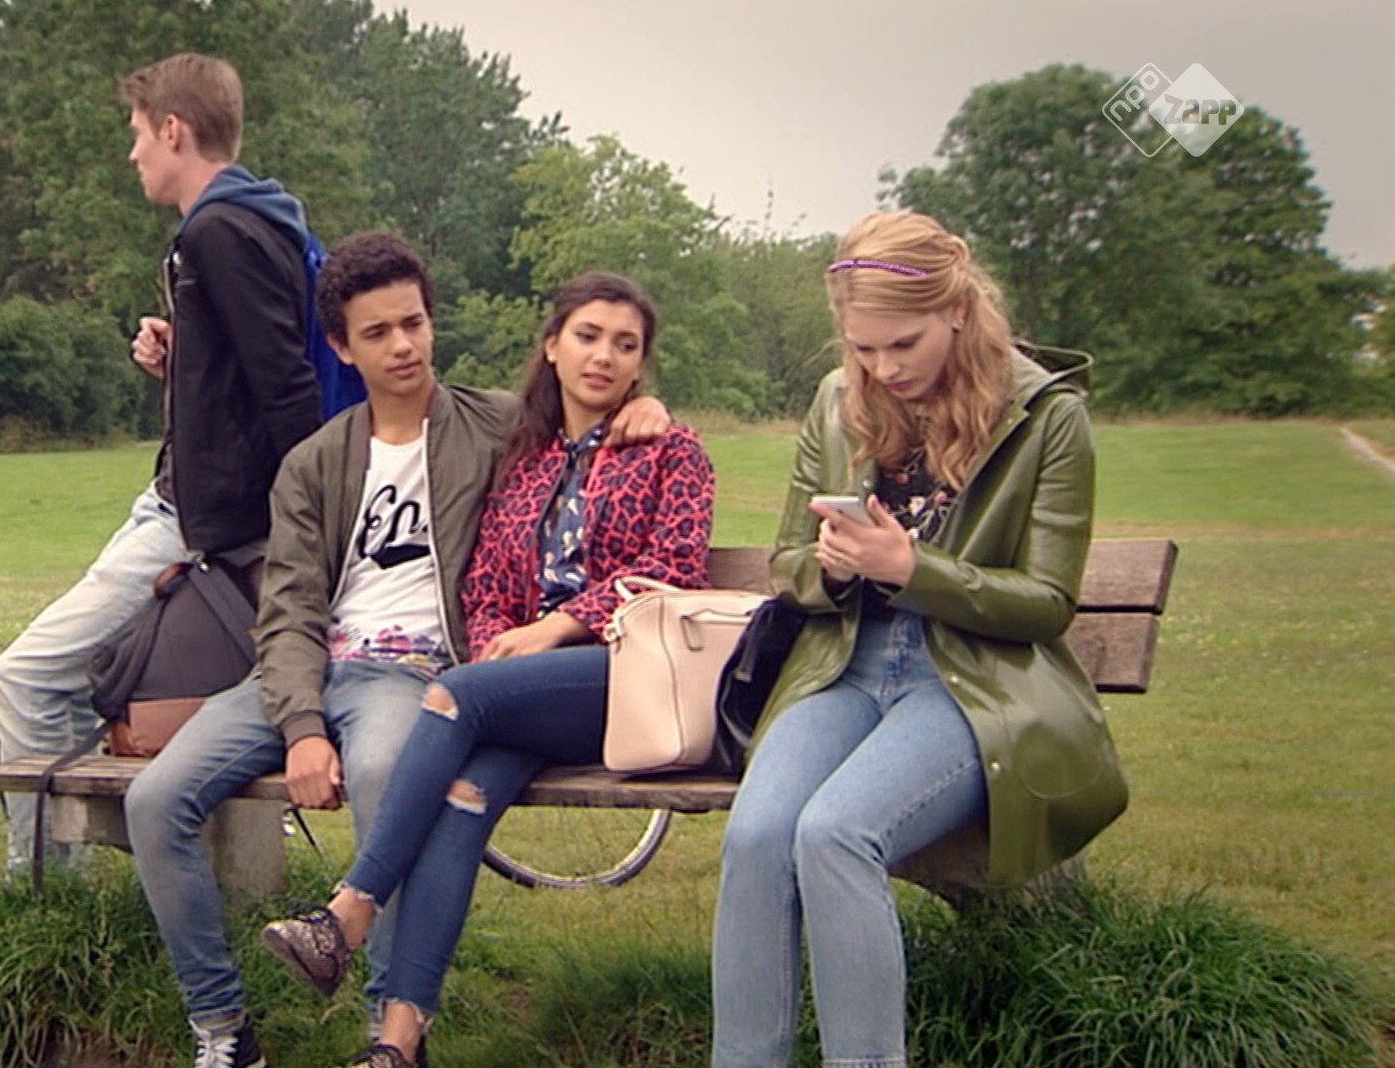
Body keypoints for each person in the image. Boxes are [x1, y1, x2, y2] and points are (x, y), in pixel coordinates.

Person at [125, 234, 672, 1068]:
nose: (403, 345)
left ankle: (388, 1034)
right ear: (343, 347)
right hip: (307, 672)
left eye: (414, 323)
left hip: (415, 673)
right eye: (377, 332)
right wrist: (302, 727)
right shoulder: (314, 463)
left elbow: (584, 400)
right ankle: (223, 1030)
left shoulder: (496, 426)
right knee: (154, 800)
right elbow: (289, 609)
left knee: (385, 772)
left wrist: (647, 406)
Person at [258, 272, 718, 1068]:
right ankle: (397, 1046)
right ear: (552, 346)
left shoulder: (671, 451)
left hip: (628, 678)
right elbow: (485, 587)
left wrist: (556, 628)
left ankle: (349, 912)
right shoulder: (526, 458)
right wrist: (503, 642)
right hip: (528, 696)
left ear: (641, 364)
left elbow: (671, 570)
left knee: (452, 694)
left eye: (625, 345)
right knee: (461, 804)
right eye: (587, 336)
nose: (603, 357)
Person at [709, 211, 1129, 1068]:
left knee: (835, 834)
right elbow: (788, 562)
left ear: (959, 311)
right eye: (863, 348)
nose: (883, 368)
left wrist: (912, 568)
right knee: (756, 837)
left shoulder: (1048, 417)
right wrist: (831, 569)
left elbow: (1047, 603)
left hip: (970, 682)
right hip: (842, 669)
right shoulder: (839, 400)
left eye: (903, 344)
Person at [0, 52, 325, 874]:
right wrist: (184, 361)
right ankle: (106, 876)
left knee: (27, 677)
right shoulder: (261, 219)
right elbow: (254, 377)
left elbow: (289, 390)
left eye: (138, 133)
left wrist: (311, 528)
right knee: (76, 678)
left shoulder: (219, 231)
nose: (132, 151)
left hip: (197, 525)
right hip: (197, 509)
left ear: (173, 130)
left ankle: (46, 896)